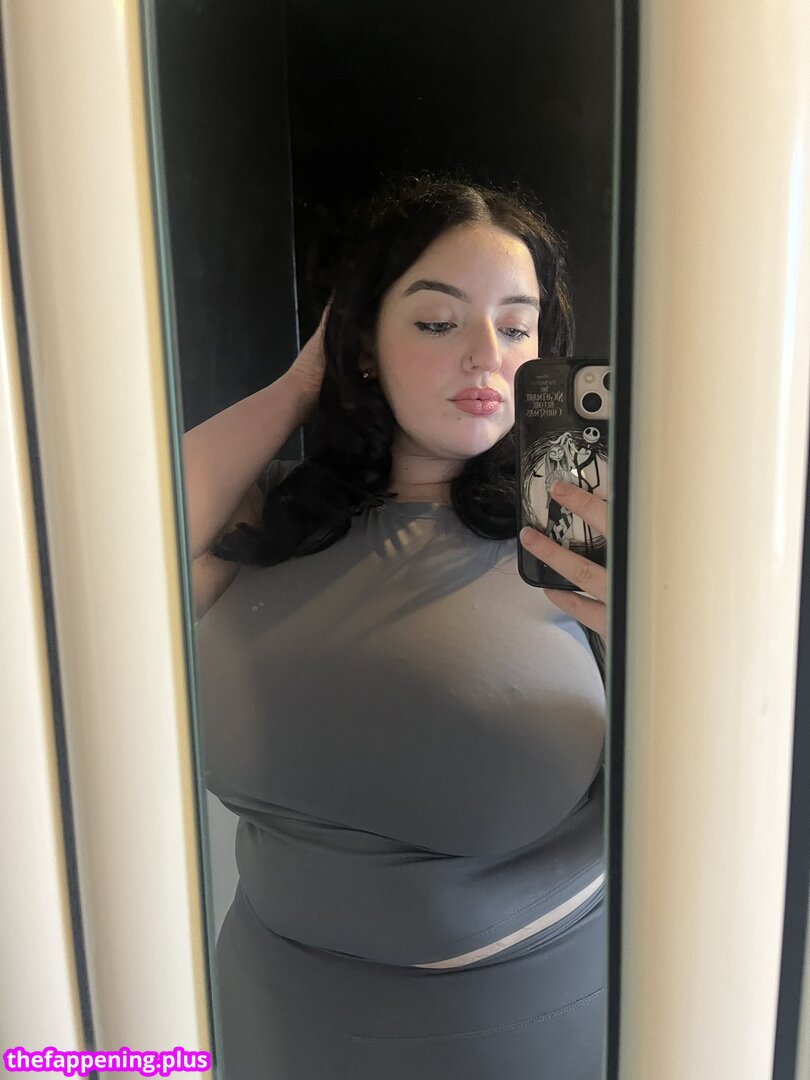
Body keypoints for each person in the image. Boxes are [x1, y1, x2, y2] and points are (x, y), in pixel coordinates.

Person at [184, 174, 609, 1079]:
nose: (487, 355)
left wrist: (656, 638)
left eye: (518, 327)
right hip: (273, 1020)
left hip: (517, 1031)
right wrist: (303, 382)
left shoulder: (582, 550)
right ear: (363, 342)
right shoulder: (270, 526)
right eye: (438, 321)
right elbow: (106, 566)